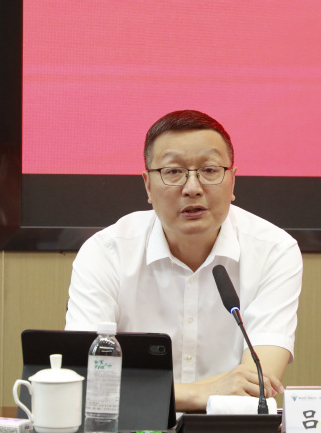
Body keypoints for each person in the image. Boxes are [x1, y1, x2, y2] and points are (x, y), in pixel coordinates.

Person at [65, 110, 302, 412]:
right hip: (132, 432)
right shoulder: (106, 252)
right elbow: (88, 377)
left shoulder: (274, 251)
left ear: (232, 181)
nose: (192, 188)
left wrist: (152, 391)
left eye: (210, 170)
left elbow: (257, 385)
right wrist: (200, 393)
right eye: (173, 172)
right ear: (148, 186)